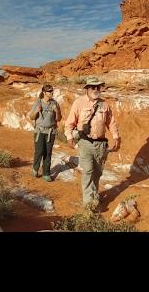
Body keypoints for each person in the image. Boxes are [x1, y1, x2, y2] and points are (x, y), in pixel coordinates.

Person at [64, 76, 120, 211]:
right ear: (87, 89)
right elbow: (69, 122)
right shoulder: (78, 103)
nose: (96, 89)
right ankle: (89, 204)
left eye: (98, 87)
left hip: (101, 145)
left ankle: (94, 195)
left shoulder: (105, 104)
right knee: (88, 171)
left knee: (97, 172)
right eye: (93, 87)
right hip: (85, 143)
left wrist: (116, 137)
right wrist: (69, 137)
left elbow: (111, 122)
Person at [28, 83, 61, 182]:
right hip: (39, 131)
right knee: (39, 151)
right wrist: (37, 111)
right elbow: (31, 117)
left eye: (52, 91)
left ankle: (46, 173)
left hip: (51, 132)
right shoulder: (38, 103)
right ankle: (35, 168)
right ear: (44, 92)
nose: (52, 92)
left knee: (48, 153)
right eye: (49, 91)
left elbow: (59, 119)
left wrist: (57, 111)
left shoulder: (55, 103)